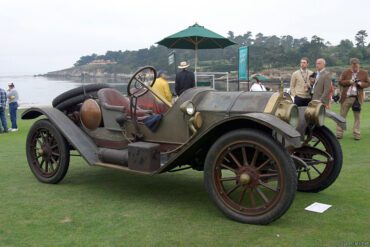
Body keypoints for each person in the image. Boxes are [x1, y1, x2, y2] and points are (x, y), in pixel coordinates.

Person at [336, 58, 369, 140]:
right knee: (341, 116)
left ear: (359, 65)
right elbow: (340, 82)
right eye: (353, 66)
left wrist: (360, 83)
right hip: (346, 98)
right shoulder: (345, 72)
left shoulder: (364, 73)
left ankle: (356, 134)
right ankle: (339, 134)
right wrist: (349, 82)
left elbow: (368, 83)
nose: (355, 68)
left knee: (357, 118)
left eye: (356, 66)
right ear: (351, 65)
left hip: (357, 98)